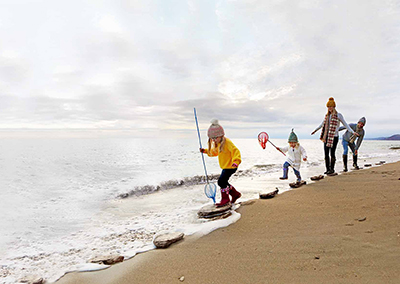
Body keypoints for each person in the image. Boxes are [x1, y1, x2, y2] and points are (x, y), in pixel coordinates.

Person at [199, 119, 242, 207]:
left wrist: (236, 161)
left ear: (221, 135)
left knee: (221, 182)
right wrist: (205, 151)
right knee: (224, 182)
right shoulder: (218, 144)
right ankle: (235, 194)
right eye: (212, 139)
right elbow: (214, 152)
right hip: (225, 166)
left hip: (231, 166)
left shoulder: (227, 142)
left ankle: (225, 199)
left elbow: (235, 151)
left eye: (216, 138)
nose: (214, 140)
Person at [311, 97, 358, 175]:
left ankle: (332, 169)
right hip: (326, 137)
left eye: (331, 106)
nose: (329, 108)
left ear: (334, 106)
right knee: (326, 154)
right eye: (328, 107)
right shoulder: (327, 116)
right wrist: (315, 130)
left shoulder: (338, 115)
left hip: (334, 137)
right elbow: (322, 124)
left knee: (332, 153)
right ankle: (327, 169)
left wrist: (353, 132)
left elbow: (346, 125)